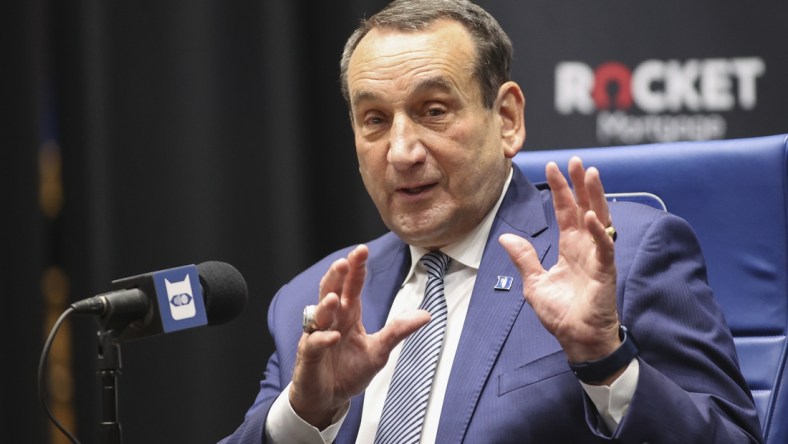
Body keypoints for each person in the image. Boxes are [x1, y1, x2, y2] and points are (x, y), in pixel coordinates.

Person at [222, 0, 762, 442]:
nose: (402, 150)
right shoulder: (312, 302)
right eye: (375, 121)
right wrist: (304, 415)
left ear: (506, 119)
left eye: (434, 110)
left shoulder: (628, 254)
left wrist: (605, 360)